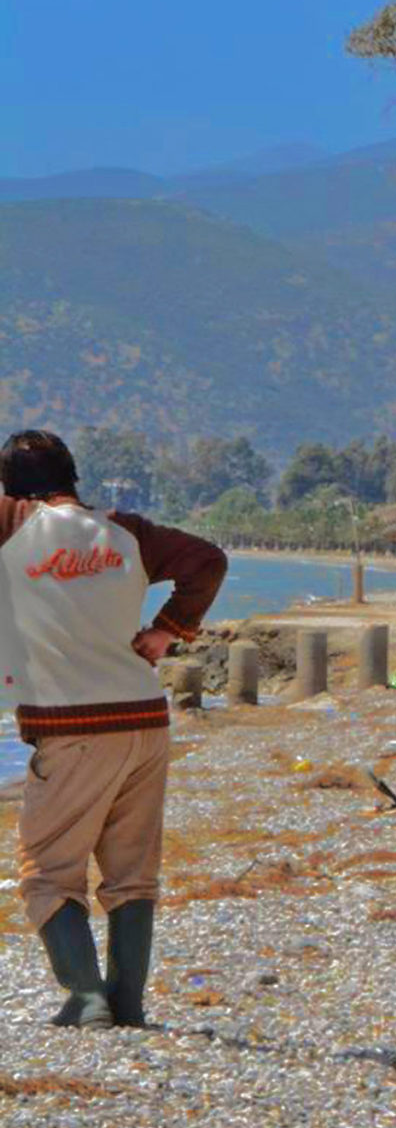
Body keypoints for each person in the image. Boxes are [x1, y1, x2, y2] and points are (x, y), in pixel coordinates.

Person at [2, 430, 227, 1028]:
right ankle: (128, 1002)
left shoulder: (13, 523)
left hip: (73, 726)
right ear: (72, 478)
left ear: (12, 489)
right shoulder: (128, 532)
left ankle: (86, 996)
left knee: (47, 871)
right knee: (132, 873)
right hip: (144, 720)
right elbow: (208, 561)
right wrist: (167, 629)